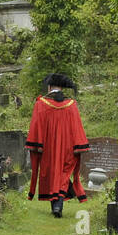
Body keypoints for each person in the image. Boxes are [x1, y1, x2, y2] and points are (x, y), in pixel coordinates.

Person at [26, 73, 90, 217]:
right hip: (68, 148)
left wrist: (37, 145)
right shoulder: (72, 105)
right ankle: (58, 205)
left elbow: (36, 126)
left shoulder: (41, 104)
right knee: (62, 175)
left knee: (51, 174)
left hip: (47, 148)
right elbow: (77, 128)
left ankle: (56, 206)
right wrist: (78, 146)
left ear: (49, 87)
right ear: (61, 88)